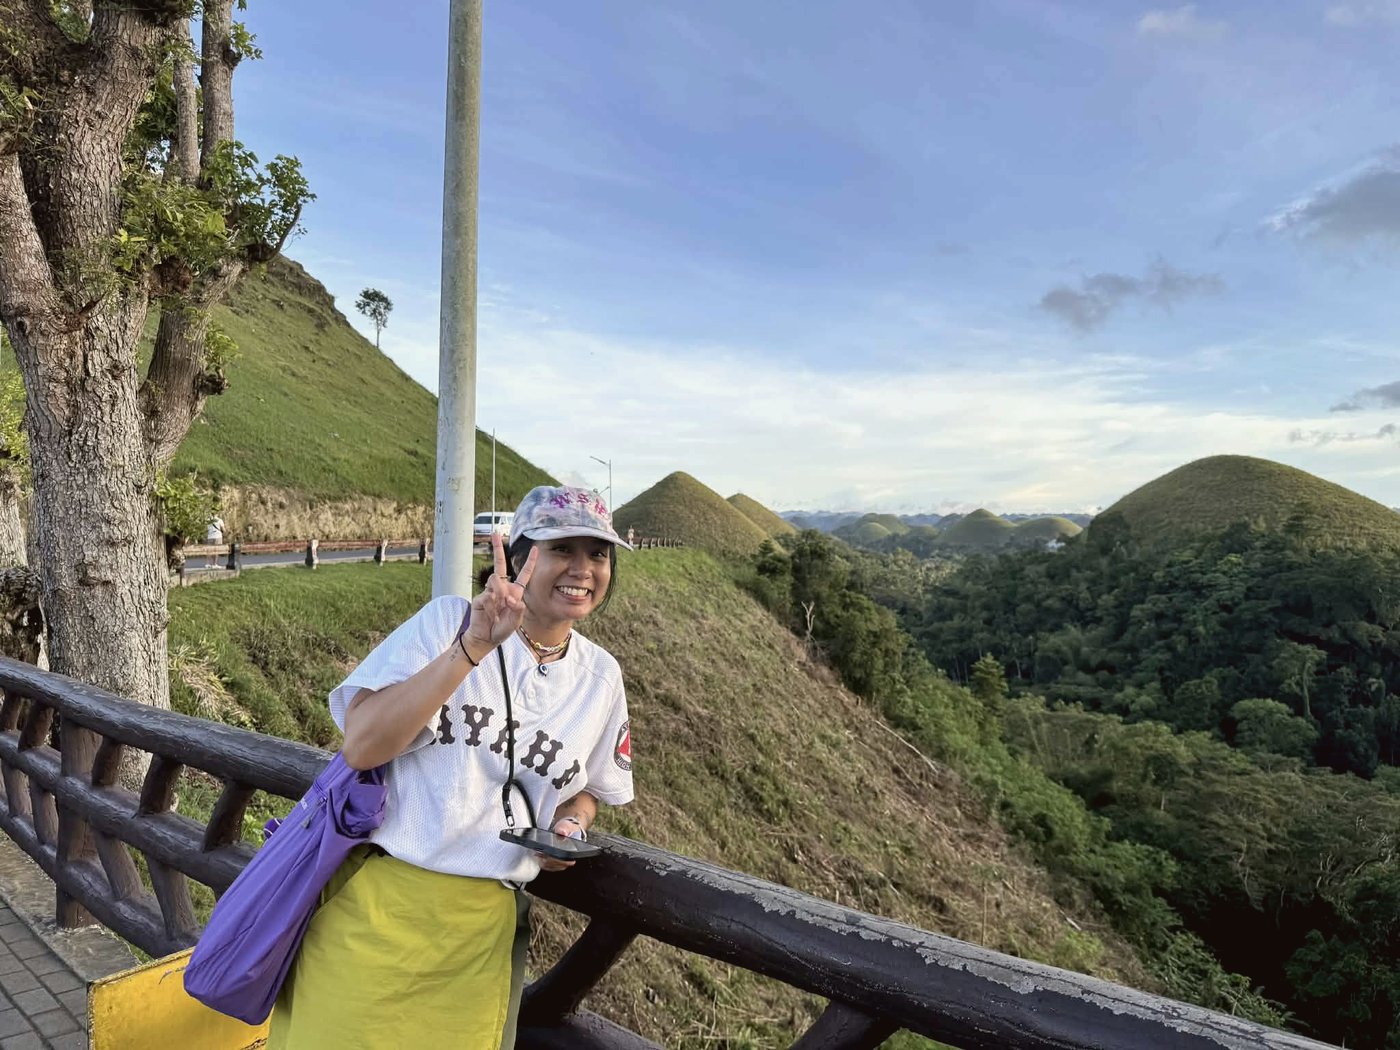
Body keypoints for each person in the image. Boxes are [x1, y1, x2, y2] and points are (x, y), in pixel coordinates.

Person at [268, 485, 634, 1050]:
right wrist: (473, 648)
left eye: (598, 553)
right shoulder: (449, 623)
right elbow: (362, 746)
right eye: (562, 549)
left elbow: (587, 790)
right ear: (518, 557)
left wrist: (570, 827)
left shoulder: (601, 678)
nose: (583, 569)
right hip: (379, 908)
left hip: (481, 936)